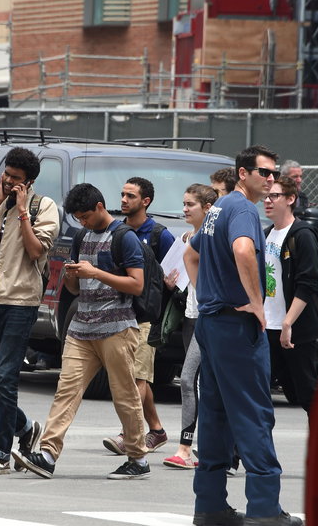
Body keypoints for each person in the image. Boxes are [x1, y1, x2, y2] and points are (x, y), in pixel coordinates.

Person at [184, 145, 302, 526]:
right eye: (263, 172)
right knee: (253, 413)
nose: (270, 179)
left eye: (273, 173)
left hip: (212, 325)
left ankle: (211, 505)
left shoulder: (217, 208)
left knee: (216, 415)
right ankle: (265, 508)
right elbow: (242, 250)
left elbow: (192, 252)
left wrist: (206, 295)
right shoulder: (242, 210)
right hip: (235, 327)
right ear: (242, 173)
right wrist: (255, 302)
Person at [12, 183, 150, 480]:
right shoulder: (81, 235)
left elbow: (137, 284)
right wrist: (70, 276)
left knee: (124, 395)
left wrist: (96, 272)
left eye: (86, 216)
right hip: (81, 328)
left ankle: (138, 458)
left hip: (117, 328)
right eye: (78, 218)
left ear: (100, 207)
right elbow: (75, 288)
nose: (82, 222)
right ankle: (47, 454)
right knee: (66, 390)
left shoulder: (124, 238)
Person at [0, 147, 59, 474]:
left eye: (15, 179)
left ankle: (0, 453)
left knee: (5, 377)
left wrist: (22, 212)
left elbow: (35, 251)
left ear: (28, 182)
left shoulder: (43, 207)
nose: (7, 181)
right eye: (6, 174)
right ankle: (25, 427)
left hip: (21, 301)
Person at [102, 177, 173, 456]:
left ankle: (129, 434)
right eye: (122, 194)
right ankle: (156, 430)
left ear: (145, 202)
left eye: (130, 196)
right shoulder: (116, 232)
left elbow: (174, 274)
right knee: (133, 377)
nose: (123, 200)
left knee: (136, 378)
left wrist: (169, 284)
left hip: (145, 317)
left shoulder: (159, 234)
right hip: (118, 316)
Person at [163, 183, 218, 470]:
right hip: (191, 316)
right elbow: (186, 284)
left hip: (210, 318)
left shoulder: (215, 239)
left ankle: (186, 449)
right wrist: (173, 287)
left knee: (188, 380)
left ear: (207, 209)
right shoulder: (187, 238)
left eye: (190, 205)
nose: (184, 209)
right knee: (199, 382)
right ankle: (205, 448)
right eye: (183, 203)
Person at [262, 176, 318, 414]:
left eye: (274, 196)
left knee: (306, 394)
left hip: (296, 329)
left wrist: (288, 323)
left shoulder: (303, 234)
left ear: (290, 199)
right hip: (268, 328)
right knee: (257, 392)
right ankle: (241, 450)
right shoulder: (266, 234)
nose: (267, 200)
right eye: (266, 196)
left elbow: (308, 283)